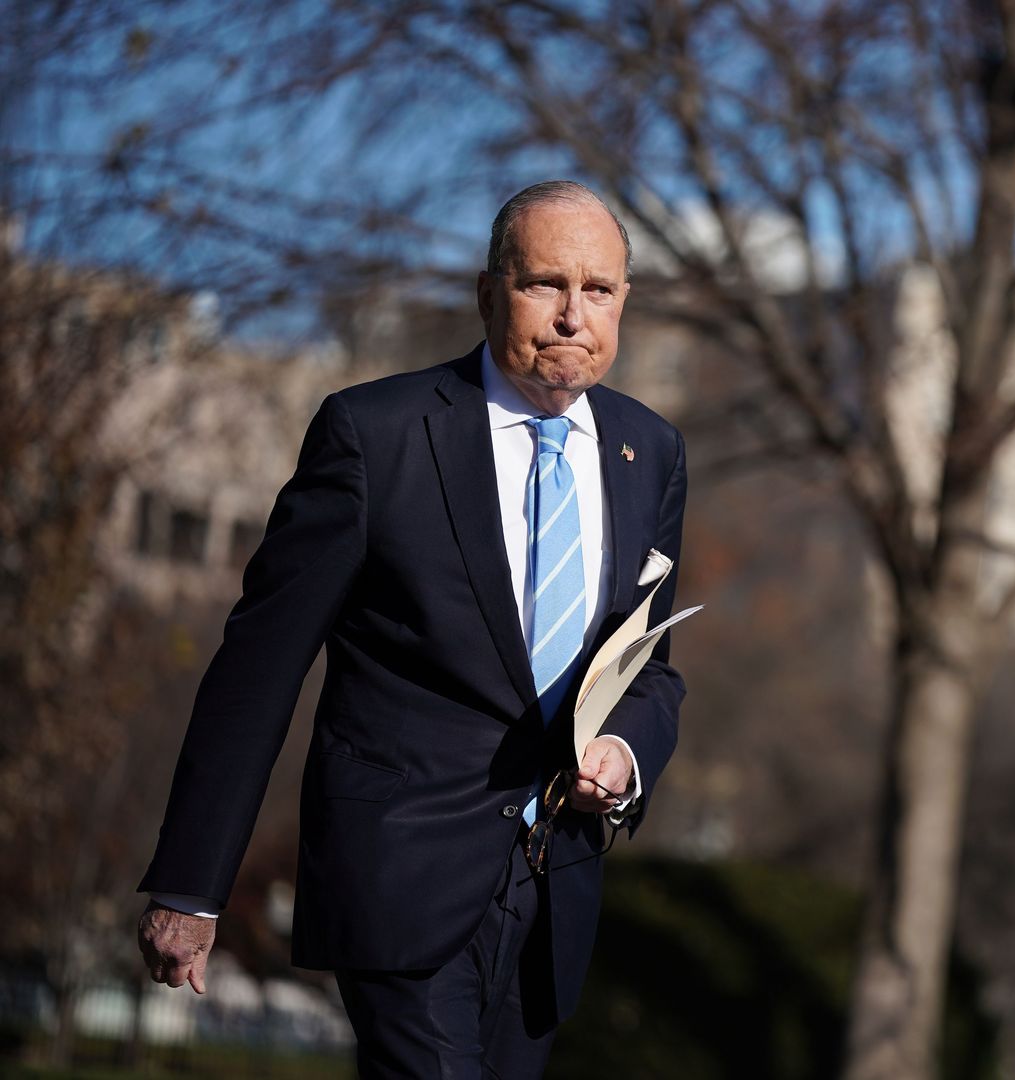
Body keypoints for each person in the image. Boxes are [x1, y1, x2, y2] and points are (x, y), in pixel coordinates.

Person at [135, 180, 688, 1077]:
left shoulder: (651, 451)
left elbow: (653, 667)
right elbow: (259, 670)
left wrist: (625, 753)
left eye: (599, 290)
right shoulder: (375, 434)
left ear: (625, 301)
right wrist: (193, 885)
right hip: (399, 874)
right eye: (545, 283)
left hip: (555, 895)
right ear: (488, 291)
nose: (571, 316)